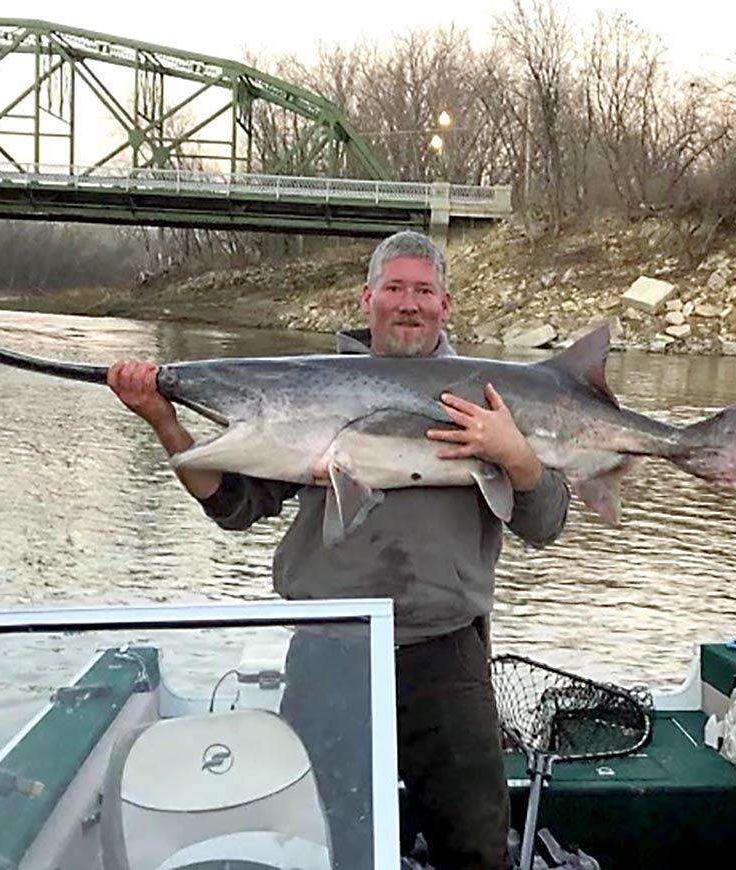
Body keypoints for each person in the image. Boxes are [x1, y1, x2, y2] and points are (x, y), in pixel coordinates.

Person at [108, 230, 570, 870]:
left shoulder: (493, 397)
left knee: (476, 847)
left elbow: (546, 524)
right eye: (394, 288)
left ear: (446, 305)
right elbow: (234, 507)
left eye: (424, 290)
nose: (409, 303)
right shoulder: (306, 392)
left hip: (446, 654)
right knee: (331, 845)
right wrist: (164, 421)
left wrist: (515, 455)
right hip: (330, 652)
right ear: (367, 299)